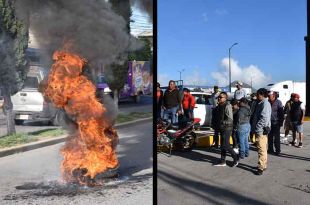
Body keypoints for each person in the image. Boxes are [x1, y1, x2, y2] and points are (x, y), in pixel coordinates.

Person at [213, 92, 239, 167]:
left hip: (227, 128)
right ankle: (223, 160)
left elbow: (230, 119)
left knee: (226, 144)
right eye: (218, 97)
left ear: (225, 98)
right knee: (222, 145)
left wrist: (222, 122)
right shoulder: (219, 106)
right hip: (221, 128)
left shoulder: (227, 106)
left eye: (221, 97)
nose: (219, 98)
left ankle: (235, 158)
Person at [251, 88, 271, 175]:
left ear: (262, 95)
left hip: (261, 130)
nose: (256, 96)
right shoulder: (261, 103)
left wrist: (258, 127)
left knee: (261, 149)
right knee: (263, 148)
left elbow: (265, 118)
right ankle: (263, 164)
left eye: (258, 94)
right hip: (261, 129)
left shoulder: (265, 103)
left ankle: (261, 167)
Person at [267, 91, 284, 155]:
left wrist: (281, 122)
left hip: (276, 122)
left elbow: (281, 113)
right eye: (268, 96)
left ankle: (278, 150)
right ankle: (270, 149)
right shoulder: (268, 102)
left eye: (269, 96)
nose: (268, 97)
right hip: (269, 122)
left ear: (273, 96)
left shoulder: (278, 102)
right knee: (270, 136)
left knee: (276, 137)